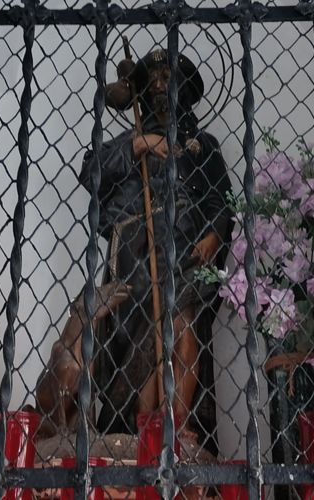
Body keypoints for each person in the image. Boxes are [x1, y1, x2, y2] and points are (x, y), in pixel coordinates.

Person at [77, 48, 232, 454]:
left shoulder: (202, 146)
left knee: (183, 325)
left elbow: (221, 200)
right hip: (134, 255)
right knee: (138, 337)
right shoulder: (128, 141)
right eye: (154, 79)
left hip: (186, 252)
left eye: (169, 78)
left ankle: (178, 423)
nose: (161, 86)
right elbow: (91, 173)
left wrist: (214, 235)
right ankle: (137, 429)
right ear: (142, 90)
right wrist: (140, 144)